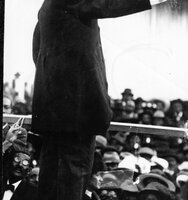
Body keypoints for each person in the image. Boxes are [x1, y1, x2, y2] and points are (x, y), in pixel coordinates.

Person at [31, 0, 174, 199]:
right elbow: (106, 4)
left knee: (51, 180)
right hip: (76, 114)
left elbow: (37, 50)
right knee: (73, 180)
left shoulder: (48, 7)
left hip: (56, 113)